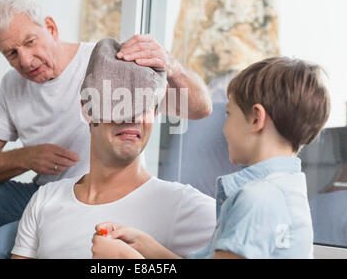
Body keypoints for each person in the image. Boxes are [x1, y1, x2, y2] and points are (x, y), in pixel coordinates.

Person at [0, 0, 213, 259]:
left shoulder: (102, 65)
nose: (26, 60)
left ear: (51, 28)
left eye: (30, 42)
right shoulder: (12, 86)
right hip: (43, 195)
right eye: (11, 53)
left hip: (100, 193)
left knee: (4, 242)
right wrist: (26, 157)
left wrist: (171, 66)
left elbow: (199, 108)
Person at [91, 56, 331, 259]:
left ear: (256, 119)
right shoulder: (287, 190)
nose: (223, 128)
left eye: (228, 114)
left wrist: (126, 259)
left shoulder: (257, 200)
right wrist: (148, 248)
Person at [11, 38, 216, 258]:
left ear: (155, 113)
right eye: (118, 104)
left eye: (143, 105)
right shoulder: (46, 200)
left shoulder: (180, 205)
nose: (132, 117)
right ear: (87, 109)